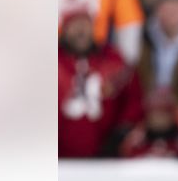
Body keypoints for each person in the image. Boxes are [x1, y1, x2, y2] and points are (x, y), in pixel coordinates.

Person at [59, 8, 146, 158]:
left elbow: (133, 100)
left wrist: (122, 131)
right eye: (75, 25)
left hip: (105, 158)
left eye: (85, 25)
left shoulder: (114, 61)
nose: (81, 31)